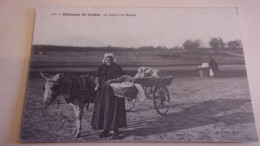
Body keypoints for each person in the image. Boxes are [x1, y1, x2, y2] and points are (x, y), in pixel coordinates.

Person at [91, 53, 126, 139]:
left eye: (110, 59)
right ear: (104, 60)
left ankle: (115, 131)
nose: (108, 61)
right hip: (103, 93)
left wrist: (113, 80)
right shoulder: (101, 68)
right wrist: (97, 84)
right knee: (103, 110)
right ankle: (105, 130)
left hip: (115, 92)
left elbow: (122, 78)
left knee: (114, 110)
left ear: (113, 60)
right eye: (107, 59)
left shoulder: (117, 67)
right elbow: (97, 77)